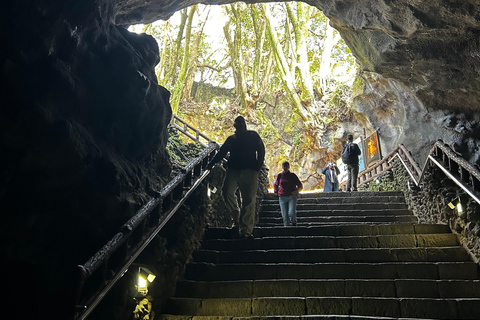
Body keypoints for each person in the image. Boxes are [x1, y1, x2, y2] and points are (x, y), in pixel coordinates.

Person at [208, 115, 265, 238]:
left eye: (242, 123)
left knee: (249, 200)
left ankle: (246, 231)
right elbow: (221, 152)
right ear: (235, 126)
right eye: (238, 123)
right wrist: (211, 163)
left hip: (250, 170)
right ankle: (237, 217)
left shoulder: (253, 136)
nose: (240, 125)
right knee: (226, 192)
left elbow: (261, 149)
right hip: (233, 170)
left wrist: (257, 166)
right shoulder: (231, 139)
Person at [274, 161, 303, 226]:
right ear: (282, 167)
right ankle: (286, 229)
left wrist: (297, 191)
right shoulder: (280, 176)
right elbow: (276, 184)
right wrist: (276, 191)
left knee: (291, 213)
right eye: (284, 166)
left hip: (291, 196)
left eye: (286, 166)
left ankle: (293, 222)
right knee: (284, 215)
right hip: (282, 197)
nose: (285, 168)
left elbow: (300, 185)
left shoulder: (292, 175)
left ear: (288, 167)